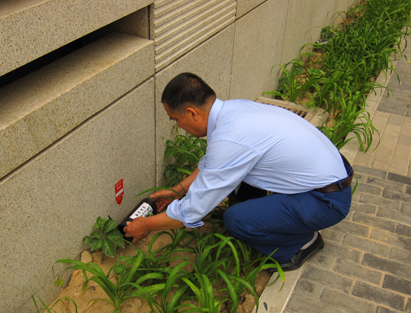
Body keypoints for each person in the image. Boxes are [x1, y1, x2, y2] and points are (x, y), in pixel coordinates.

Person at [123, 72, 353, 272]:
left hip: (327, 200)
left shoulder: (229, 137)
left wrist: (147, 225)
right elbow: (210, 165)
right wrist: (177, 190)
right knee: (240, 192)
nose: (178, 126)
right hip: (329, 178)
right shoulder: (234, 110)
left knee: (236, 221)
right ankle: (279, 219)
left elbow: (191, 212)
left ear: (192, 113)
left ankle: (301, 243)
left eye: (176, 120)